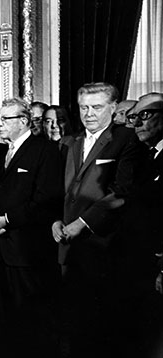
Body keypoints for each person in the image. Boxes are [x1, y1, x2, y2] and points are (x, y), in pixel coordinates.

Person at [52, 82, 144, 358]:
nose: (89, 113)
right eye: (83, 107)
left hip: (104, 247)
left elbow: (121, 193)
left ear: (114, 108)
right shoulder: (68, 142)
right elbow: (59, 191)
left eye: (96, 107)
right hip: (66, 247)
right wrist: (55, 220)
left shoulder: (126, 140)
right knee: (71, 327)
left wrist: (83, 223)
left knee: (103, 330)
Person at [0, 97, 63, 358]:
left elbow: (45, 202)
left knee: (30, 325)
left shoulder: (44, 150)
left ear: (24, 121)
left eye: (5, 119)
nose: (0, 124)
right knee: (4, 326)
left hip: (28, 253)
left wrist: (6, 220)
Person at [113, 92, 163, 357]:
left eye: (146, 115)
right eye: (134, 117)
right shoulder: (145, 157)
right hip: (138, 264)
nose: (138, 123)